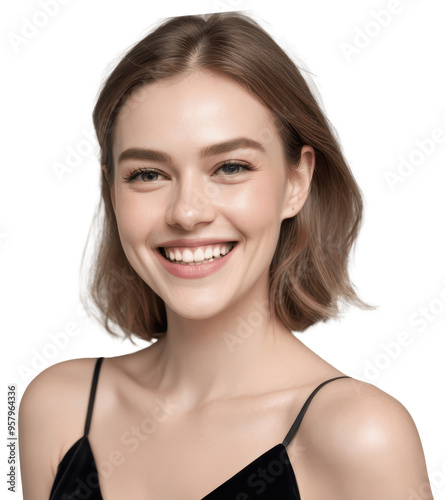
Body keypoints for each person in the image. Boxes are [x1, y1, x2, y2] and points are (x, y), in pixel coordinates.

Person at [19, 11, 433, 500]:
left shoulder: (361, 436)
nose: (187, 212)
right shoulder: (54, 408)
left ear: (296, 183)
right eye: (148, 173)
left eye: (230, 167)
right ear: (111, 190)